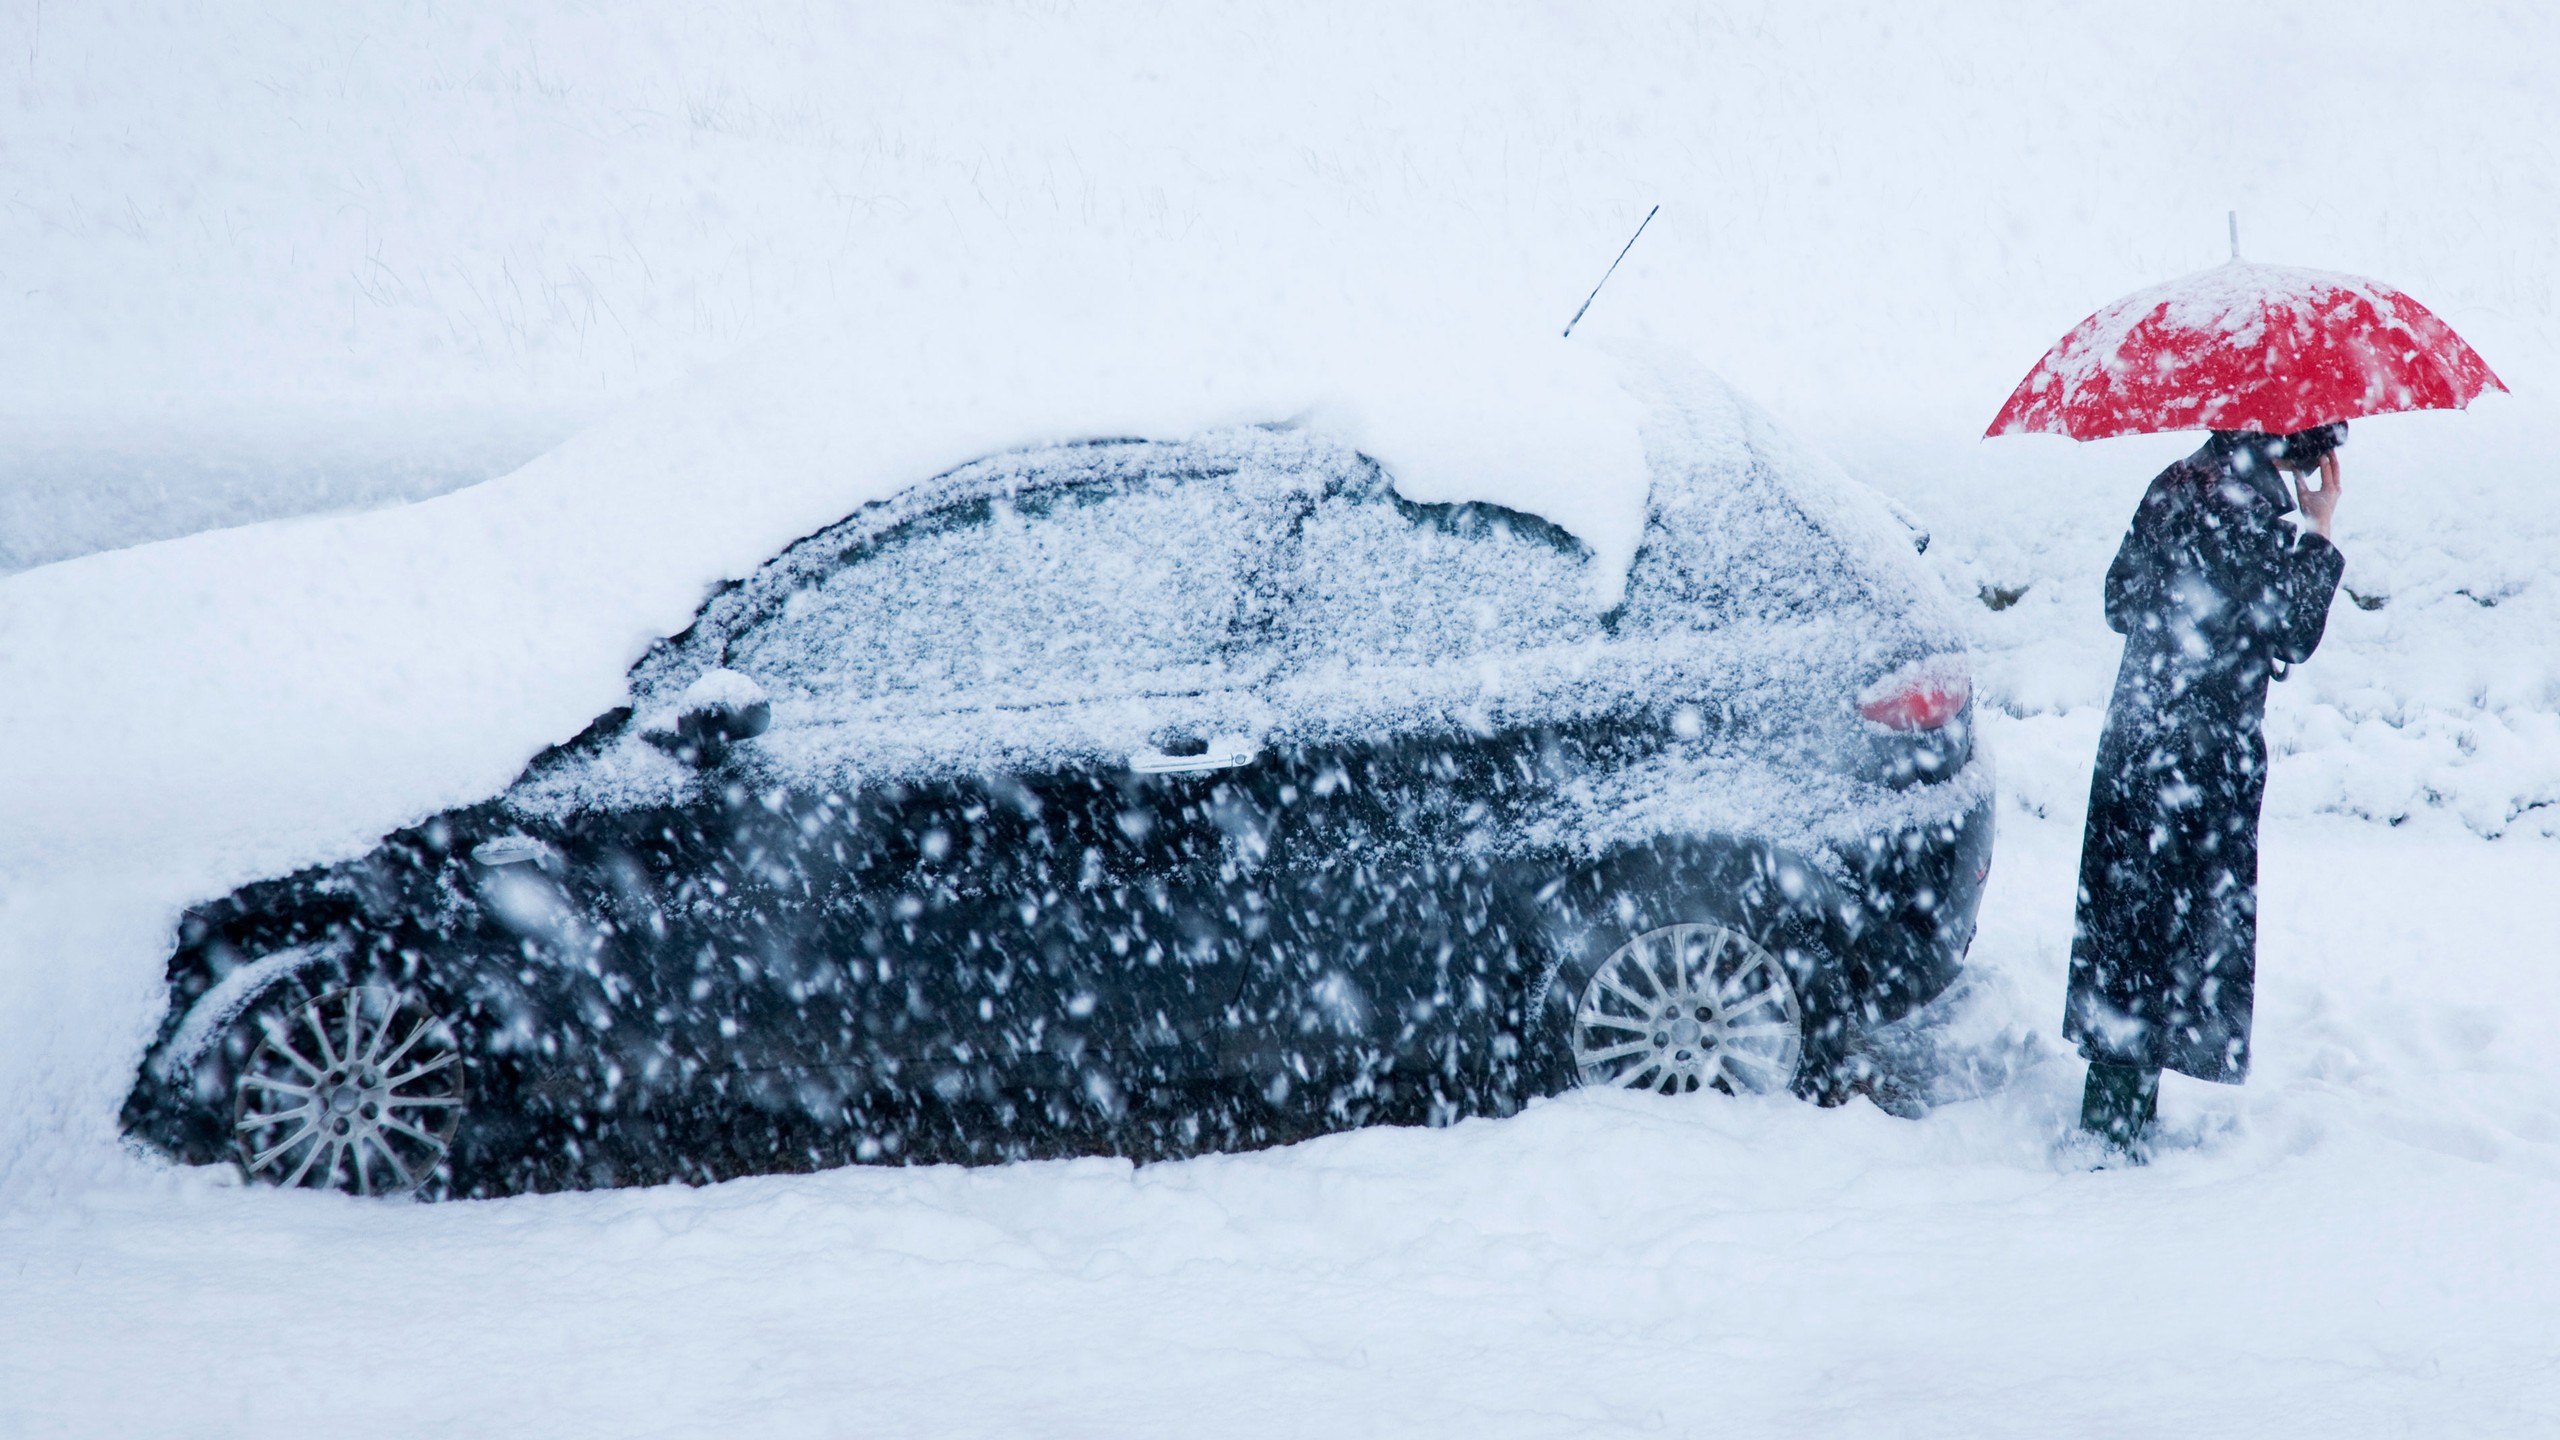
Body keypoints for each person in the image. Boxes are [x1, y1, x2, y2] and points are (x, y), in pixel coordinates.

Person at [2066, 421, 2348, 1155]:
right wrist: (2317, 532)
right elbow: (2289, 632)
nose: (2321, 456)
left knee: (2130, 926)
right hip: (2202, 755)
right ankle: (2115, 1133)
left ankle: (2115, 1111)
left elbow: (2119, 603)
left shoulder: (2176, 481)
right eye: (2314, 441)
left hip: (2137, 741)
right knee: (2175, 931)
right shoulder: (2249, 509)